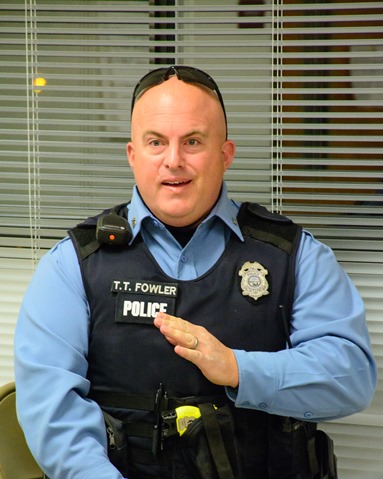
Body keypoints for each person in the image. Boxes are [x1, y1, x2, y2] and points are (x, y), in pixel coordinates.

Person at [14, 66, 377, 479]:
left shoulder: (293, 256)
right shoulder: (73, 265)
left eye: (193, 141)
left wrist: (237, 369)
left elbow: (350, 377)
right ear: (133, 155)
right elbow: (52, 413)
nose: (174, 161)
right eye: (156, 142)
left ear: (225, 154)